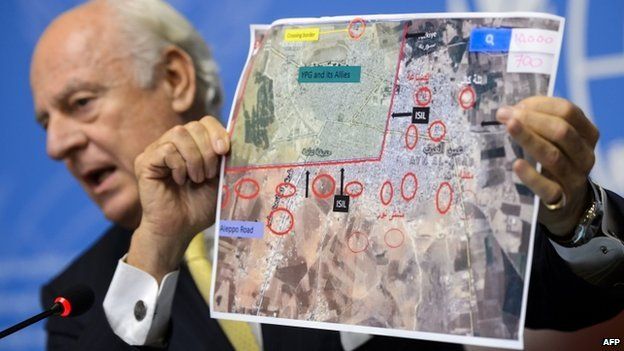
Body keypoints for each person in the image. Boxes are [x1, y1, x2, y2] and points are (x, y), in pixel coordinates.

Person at [29, 0, 623, 350]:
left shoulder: (364, 177)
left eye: (80, 103)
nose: (57, 144)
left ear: (178, 79)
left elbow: (559, 300)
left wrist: (572, 218)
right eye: (44, 122)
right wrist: (155, 248)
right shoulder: (71, 301)